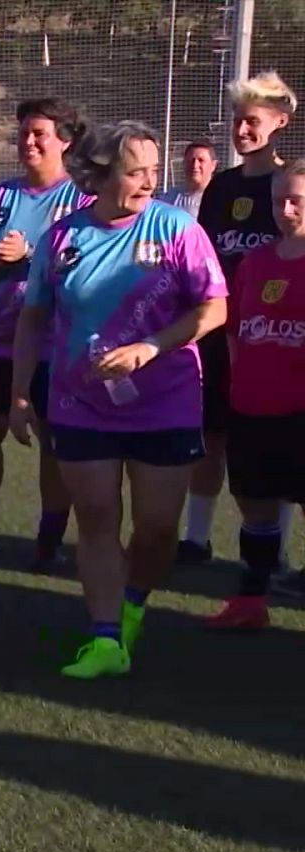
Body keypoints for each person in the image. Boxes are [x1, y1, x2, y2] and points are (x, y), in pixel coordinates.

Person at [11, 121, 228, 679]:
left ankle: (132, 603)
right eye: (136, 171)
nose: (149, 182)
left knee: (156, 528)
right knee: (98, 517)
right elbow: (34, 316)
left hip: (167, 401)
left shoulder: (178, 228)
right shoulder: (63, 238)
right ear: (101, 173)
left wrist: (149, 348)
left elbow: (214, 310)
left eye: (153, 170)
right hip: (79, 402)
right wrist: (19, 391)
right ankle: (105, 636)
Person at [0, 98, 91, 568]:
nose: (28, 142)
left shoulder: (82, 201)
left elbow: (89, 268)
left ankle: (49, 541)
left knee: (54, 442)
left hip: (56, 343)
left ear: (65, 142)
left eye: (39, 134)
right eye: (24, 133)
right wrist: (1, 261)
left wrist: (37, 256)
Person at [184, 72, 296, 564]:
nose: (242, 129)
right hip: (218, 331)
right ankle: (196, 538)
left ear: (279, 123)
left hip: (273, 338)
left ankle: (278, 554)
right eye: (237, 120)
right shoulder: (221, 186)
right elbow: (204, 256)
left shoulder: (291, 185)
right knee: (210, 436)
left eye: (253, 121)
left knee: (282, 446)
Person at [204, 158, 305, 629]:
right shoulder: (256, 261)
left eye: (297, 201)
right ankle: (250, 602)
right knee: (255, 504)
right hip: (251, 406)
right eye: (279, 200)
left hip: (299, 411)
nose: (285, 209)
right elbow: (236, 332)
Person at [159, 141, 217, 217]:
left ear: (213, 165)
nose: (195, 165)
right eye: (191, 160)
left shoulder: (219, 199)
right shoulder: (169, 198)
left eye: (201, 160)